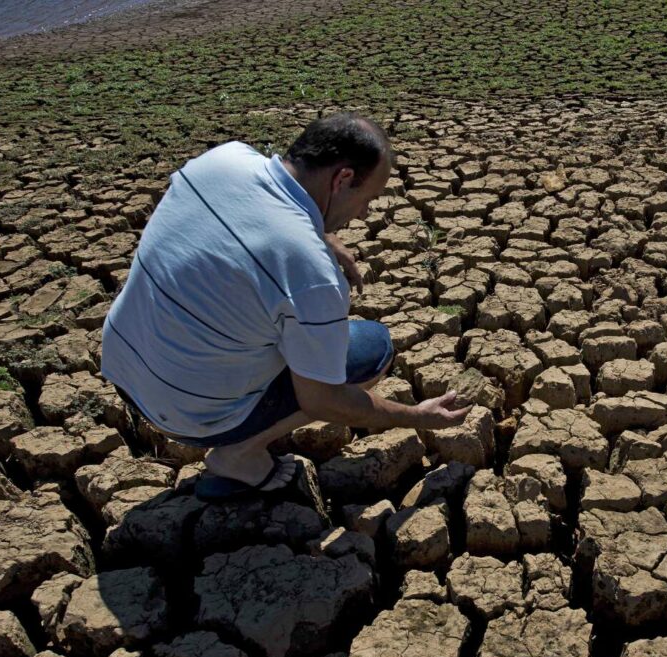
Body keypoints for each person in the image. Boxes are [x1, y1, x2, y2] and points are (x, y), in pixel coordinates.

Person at [101, 113, 471, 500]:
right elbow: (322, 399)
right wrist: (417, 416)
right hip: (189, 415)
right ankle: (239, 454)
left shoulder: (222, 160)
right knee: (370, 347)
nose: (363, 214)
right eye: (368, 199)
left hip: (123, 367)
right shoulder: (310, 270)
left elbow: (253, 217)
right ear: (342, 179)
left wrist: (319, 233)